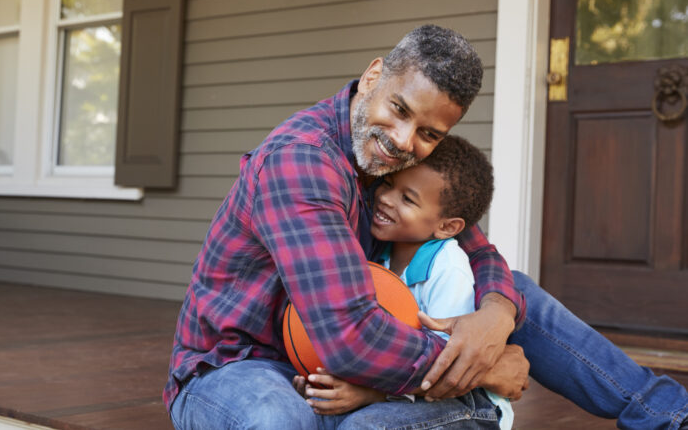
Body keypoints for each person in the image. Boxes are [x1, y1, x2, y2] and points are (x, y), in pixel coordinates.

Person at [165, 25, 688, 429]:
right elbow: (351, 339)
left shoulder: (391, 162)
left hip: (346, 363)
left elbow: (479, 252)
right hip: (242, 366)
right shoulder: (301, 164)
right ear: (373, 77)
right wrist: (485, 367)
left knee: (511, 293)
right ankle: (472, 408)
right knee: (283, 420)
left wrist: (496, 315)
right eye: (398, 109)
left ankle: (668, 414)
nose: (401, 140)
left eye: (429, 133)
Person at [295, 135, 515, 429]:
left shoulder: (448, 268)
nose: (385, 198)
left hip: (467, 401)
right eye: (388, 183)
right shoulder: (377, 255)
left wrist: (374, 395)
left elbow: (449, 367)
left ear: (447, 226)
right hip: (401, 392)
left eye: (408, 199)